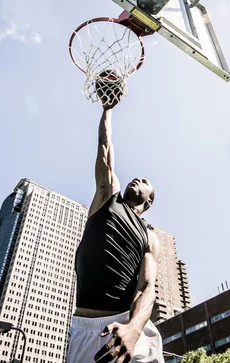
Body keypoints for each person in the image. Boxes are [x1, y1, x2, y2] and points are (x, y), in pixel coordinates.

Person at [68, 78, 163, 363]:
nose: (138, 179)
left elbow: (146, 288)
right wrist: (107, 109)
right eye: (138, 177)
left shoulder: (150, 237)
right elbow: (105, 149)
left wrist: (134, 330)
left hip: (129, 324)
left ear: (149, 200)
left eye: (145, 182)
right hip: (85, 331)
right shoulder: (108, 196)